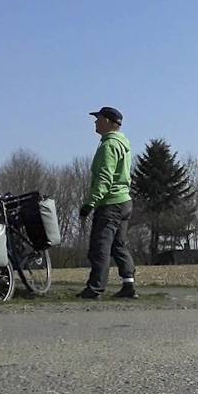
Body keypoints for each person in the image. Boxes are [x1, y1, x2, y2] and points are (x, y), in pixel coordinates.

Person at [78, 106, 137, 299]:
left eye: (98, 118)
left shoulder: (108, 146)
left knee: (100, 247)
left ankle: (95, 288)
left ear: (108, 121)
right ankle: (128, 285)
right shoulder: (123, 144)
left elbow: (105, 178)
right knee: (118, 246)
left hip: (110, 203)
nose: (95, 122)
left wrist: (90, 204)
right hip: (125, 201)